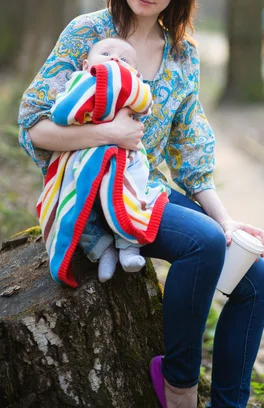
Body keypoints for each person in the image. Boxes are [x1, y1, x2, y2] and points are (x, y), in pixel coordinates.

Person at [18, 0, 264, 408]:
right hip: (95, 195)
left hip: (144, 191)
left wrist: (226, 221)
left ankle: (229, 404)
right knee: (200, 244)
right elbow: (32, 126)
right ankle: (178, 385)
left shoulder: (182, 54)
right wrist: (107, 132)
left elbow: (190, 146)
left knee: (259, 281)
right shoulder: (87, 34)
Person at [38, 37, 168, 287]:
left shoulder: (135, 86)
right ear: (86, 65)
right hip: (84, 158)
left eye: (124, 59)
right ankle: (103, 251)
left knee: (129, 196)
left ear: (136, 72)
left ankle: (129, 247)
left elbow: (145, 105)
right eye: (106, 53)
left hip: (125, 160)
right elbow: (63, 113)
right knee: (80, 207)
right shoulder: (80, 82)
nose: (115, 59)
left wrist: (126, 87)